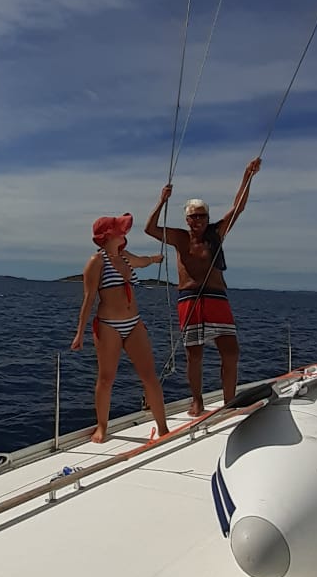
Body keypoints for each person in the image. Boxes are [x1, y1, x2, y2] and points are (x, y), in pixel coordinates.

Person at [145, 159, 261, 415]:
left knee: (231, 352)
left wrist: (247, 175)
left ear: (208, 218)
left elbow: (238, 207)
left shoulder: (216, 233)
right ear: (187, 219)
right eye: (193, 216)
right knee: (194, 354)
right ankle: (197, 401)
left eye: (202, 215)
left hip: (217, 298)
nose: (198, 220)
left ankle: (230, 400)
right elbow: (149, 229)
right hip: (190, 298)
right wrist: (162, 201)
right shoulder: (179, 237)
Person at [70, 213, 170, 443]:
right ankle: (102, 427)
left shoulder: (125, 256)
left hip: (134, 323)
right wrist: (80, 333)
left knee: (149, 377)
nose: (124, 232)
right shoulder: (96, 262)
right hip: (109, 326)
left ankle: (163, 428)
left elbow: (141, 261)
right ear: (108, 235)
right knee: (106, 378)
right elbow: (89, 298)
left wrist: (155, 259)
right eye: (119, 229)